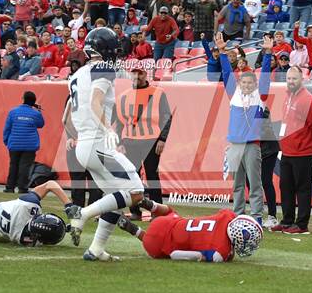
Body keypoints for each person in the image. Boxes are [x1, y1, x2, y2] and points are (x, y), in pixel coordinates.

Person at [63, 28, 146, 261]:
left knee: (115, 197)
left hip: (84, 144)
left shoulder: (77, 74)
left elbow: (64, 118)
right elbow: (95, 101)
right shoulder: (104, 69)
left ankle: (96, 249)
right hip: (99, 144)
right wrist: (107, 128)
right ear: (105, 48)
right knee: (136, 192)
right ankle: (83, 214)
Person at [215, 32, 273, 225]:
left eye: (250, 82)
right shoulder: (234, 95)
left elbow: (265, 75)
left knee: (255, 183)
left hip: (252, 145)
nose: (246, 84)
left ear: (255, 85)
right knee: (237, 184)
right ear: (239, 83)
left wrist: (267, 52)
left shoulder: (260, 96)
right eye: (244, 82)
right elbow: (226, 73)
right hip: (235, 145)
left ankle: (256, 216)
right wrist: (222, 52)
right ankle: (238, 214)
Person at [117, 198, 263, 262]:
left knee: (171, 212)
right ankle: (134, 230)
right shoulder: (221, 251)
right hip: (159, 240)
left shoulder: (227, 216)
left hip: (172, 220)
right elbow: (201, 255)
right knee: (155, 246)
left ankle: (151, 205)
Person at [113, 67, 172, 220]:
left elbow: (167, 117)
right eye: (134, 73)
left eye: (140, 73)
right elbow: (118, 122)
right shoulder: (123, 96)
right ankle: (135, 211)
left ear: (146, 75)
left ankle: (157, 211)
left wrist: (162, 139)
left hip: (151, 140)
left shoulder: (158, 93)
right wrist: (119, 142)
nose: (137, 76)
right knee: (133, 177)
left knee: (152, 176)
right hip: (130, 141)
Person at [271, 66, 312, 234]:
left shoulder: (306, 99)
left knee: (302, 188)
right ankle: (287, 221)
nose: (291, 81)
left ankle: (302, 225)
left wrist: (304, 140)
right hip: (287, 150)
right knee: (286, 187)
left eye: (294, 79)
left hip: (303, 151)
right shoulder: (288, 96)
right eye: (288, 79)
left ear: (301, 79)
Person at [0, 181, 73, 246]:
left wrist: (69, 205)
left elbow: (50, 184)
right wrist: (65, 229)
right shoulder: (25, 239)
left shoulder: (29, 204)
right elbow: (43, 236)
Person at [3, 91, 44, 194]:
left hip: (14, 144)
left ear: (23, 99)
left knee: (13, 165)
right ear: (33, 102)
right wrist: (39, 112)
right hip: (30, 145)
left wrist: (7, 141)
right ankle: (22, 188)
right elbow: (41, 124)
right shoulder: (35, 113)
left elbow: (7, 128)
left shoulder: (13, 112)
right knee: (25, 167)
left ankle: (9, 187)